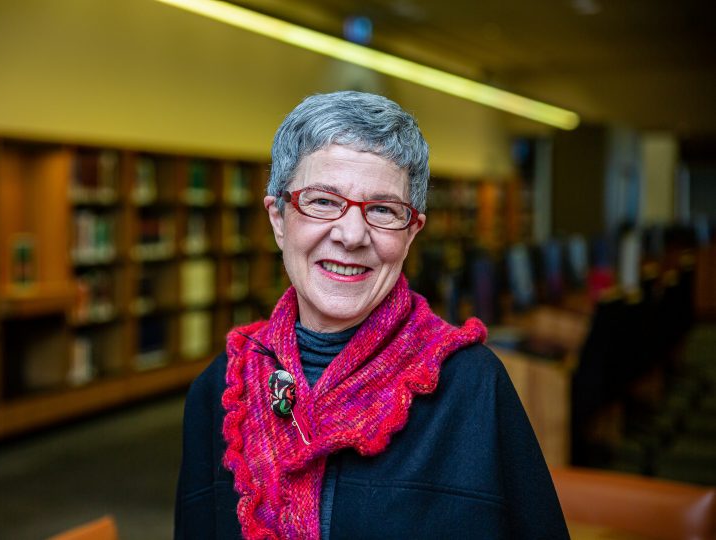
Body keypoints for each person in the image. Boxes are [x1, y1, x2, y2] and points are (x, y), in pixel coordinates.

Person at [174, 91, 569, 539]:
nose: (351, 234)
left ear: (411, 232)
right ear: (279, 219)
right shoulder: (226, 390)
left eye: (383, 210)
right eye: (323, 201)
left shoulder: (474, 388)